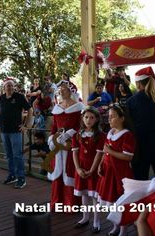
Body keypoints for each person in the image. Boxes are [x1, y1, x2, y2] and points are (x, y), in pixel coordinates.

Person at [96, 105, 135, 236]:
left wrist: (110, 151)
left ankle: (123, 230)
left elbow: (128, 156)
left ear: (122, 118)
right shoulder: (110, 132)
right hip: (109, 171)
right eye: (109, 117)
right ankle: (116, 227)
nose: (109, 119)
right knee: (113, 201)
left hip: (120, 173)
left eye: (113, 117)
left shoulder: (127, 135)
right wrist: (101, 163)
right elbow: (105, 152)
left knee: (121, 202)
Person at [47, 80, 85, 211]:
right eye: (60, 90)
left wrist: (69, 134)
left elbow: (81, 126)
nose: (61, 92)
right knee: (57, 171)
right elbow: (54, 126)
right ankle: (57, 202)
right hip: (58, 144)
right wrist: (51, 139)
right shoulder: (57, 107)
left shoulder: (78, 107)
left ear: (71, 91)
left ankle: (71, 203)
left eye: (64, 89)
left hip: (71, 145)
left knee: (69, 171)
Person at [72, 106, 106, 234]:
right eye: (86, 117)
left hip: (94, 168)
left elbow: (99, 154)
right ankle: (85, 217)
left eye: (92, 117)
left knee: (94, 196)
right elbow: (75, 153)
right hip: (81, 167)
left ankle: (96, 221)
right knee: (84, 193)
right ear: (82, 118)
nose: (88, 120)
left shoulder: (100, 135)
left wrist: (92, 170)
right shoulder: (77, 134)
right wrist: (78, 169)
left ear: (97, 119)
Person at [0, 78, 33, 189]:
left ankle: (21, 178)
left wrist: (26, 125)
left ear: (13, 87)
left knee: (17, 155)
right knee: (9, 154)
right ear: (4, 87)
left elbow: (30, 110)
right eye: (7, 86)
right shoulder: (1, 98)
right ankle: (12, 175)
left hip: (15, 131)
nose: (9, 87)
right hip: (4, 131)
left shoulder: (19, 97)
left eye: (11, 85)